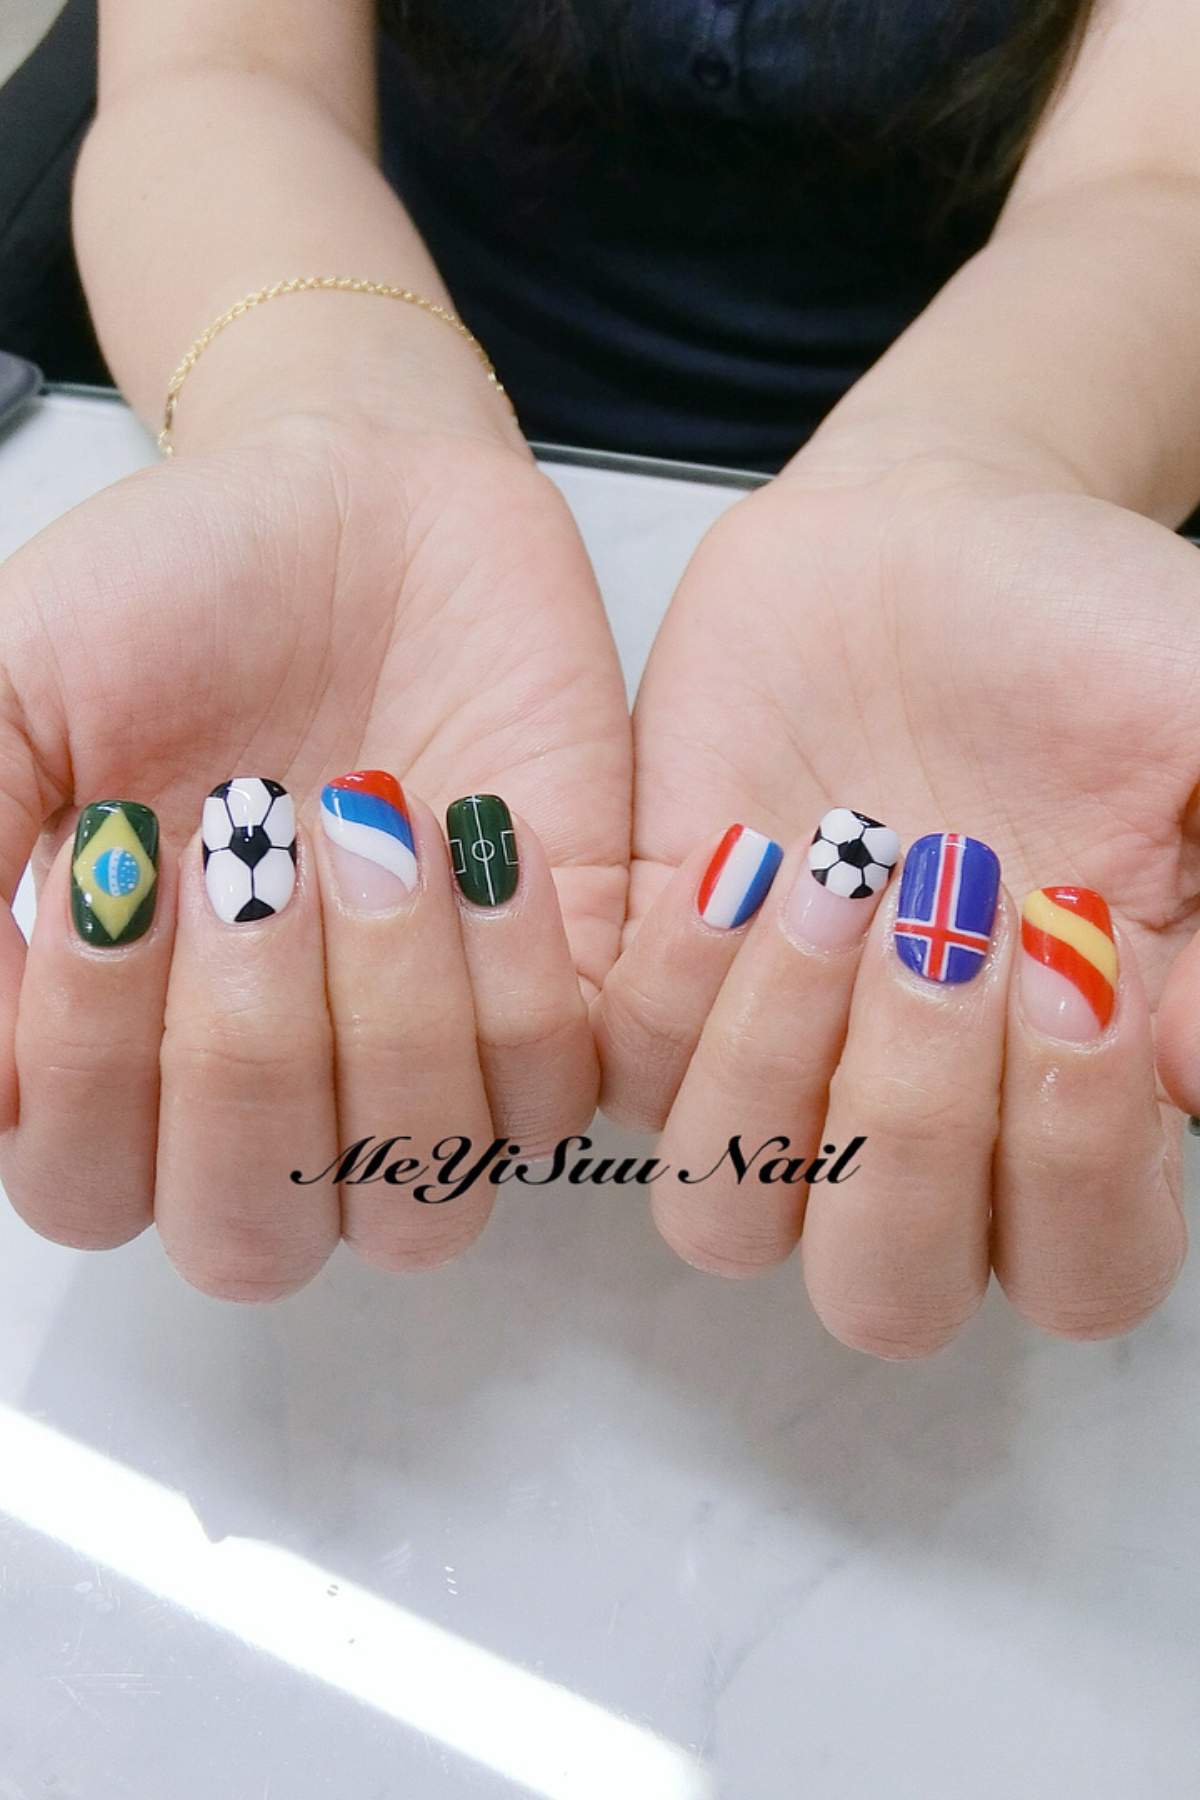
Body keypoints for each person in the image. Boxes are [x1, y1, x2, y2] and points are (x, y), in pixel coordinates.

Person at [0, 0, 1196, 1355]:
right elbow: (223, 70)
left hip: (1036, 422)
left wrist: (973, 468)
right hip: (389, 338)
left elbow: (1164, 180)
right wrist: (330, 418)